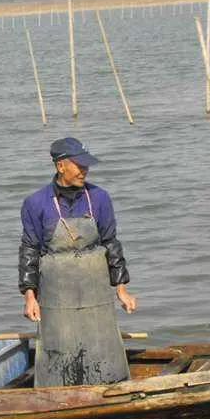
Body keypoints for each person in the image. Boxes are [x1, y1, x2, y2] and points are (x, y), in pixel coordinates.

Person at [18, 138, 137, 387]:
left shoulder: (100, 198)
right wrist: (30, 296)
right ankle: (57, 391)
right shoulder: (35, 203)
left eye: (87, 165)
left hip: (96, 289)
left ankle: (110, 384)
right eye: (79, 165)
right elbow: (29, 251)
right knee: (60, 346)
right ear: (61, 166)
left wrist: (122, 289)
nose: (85, 170)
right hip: (56, 293)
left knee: (101, 342)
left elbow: (111, 244)